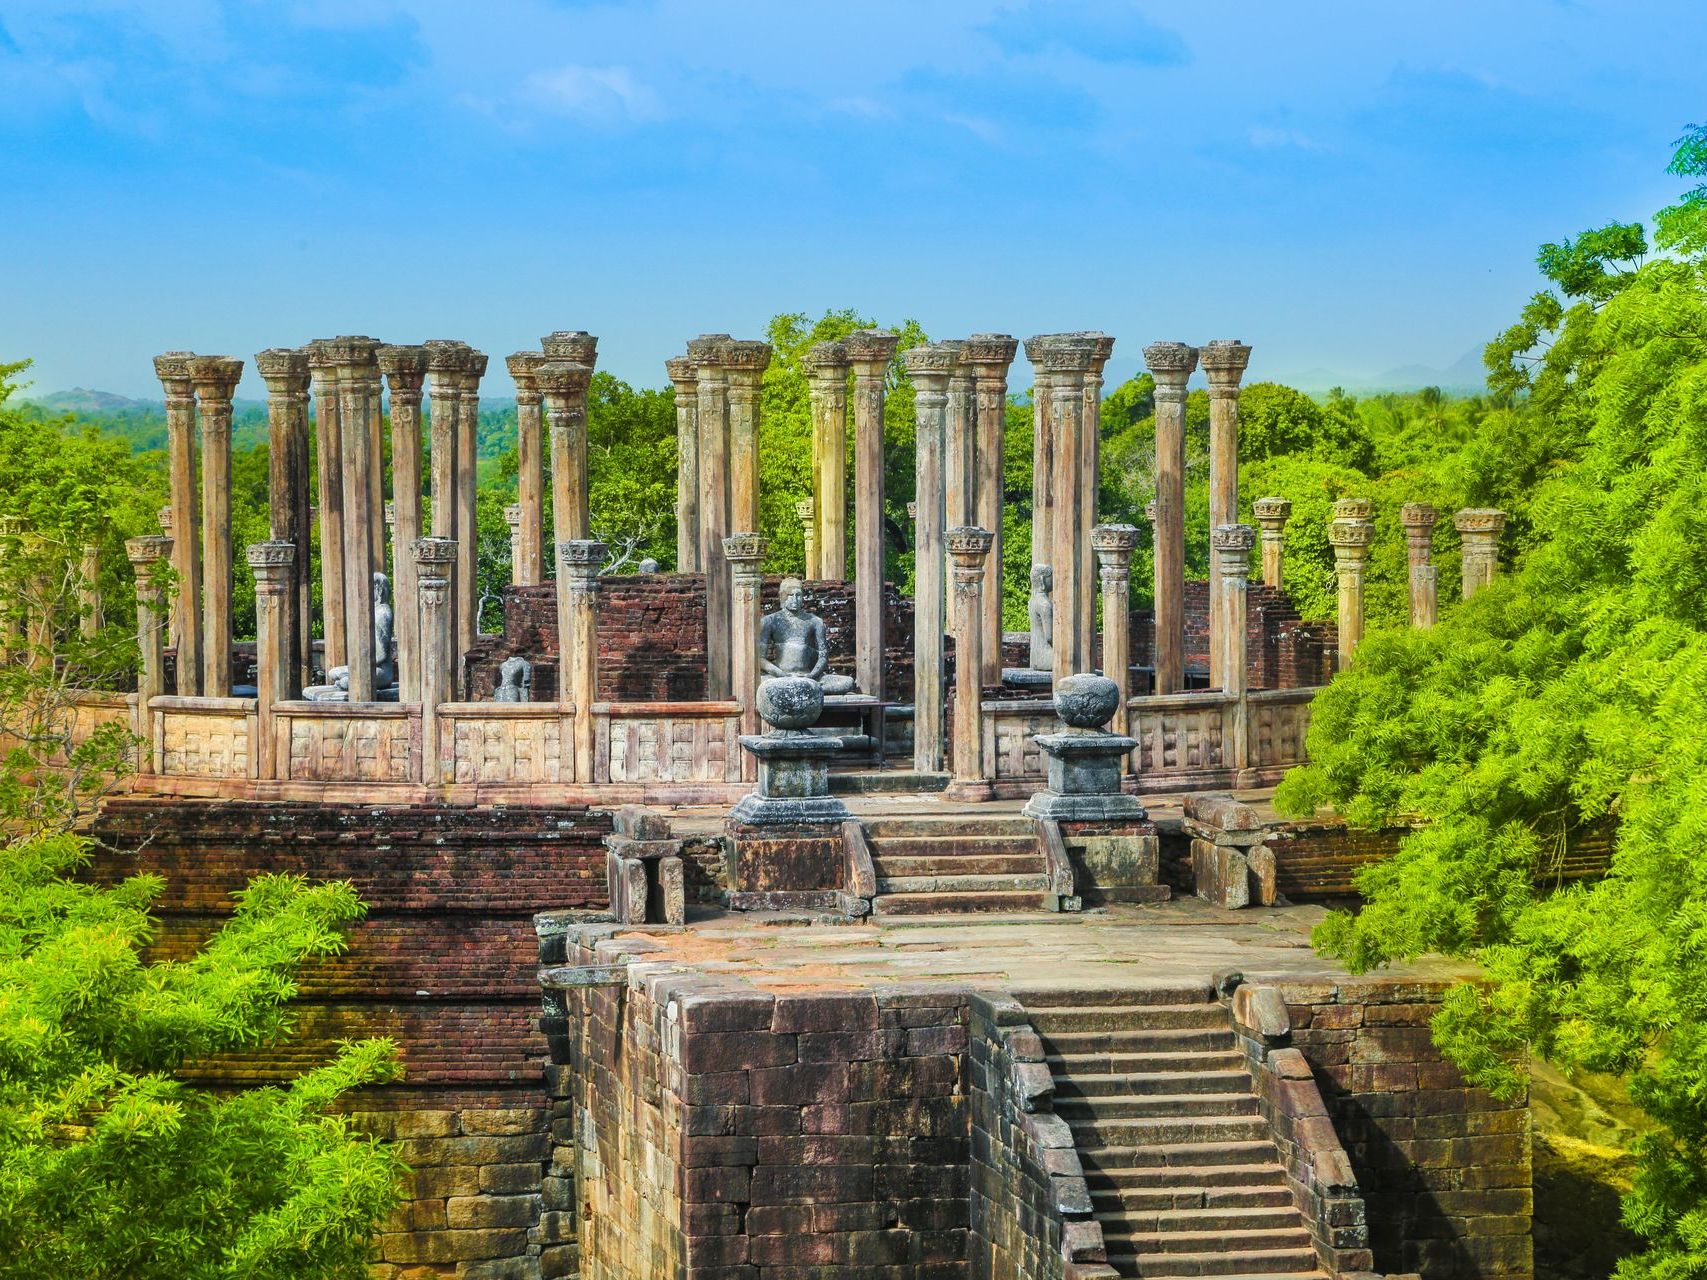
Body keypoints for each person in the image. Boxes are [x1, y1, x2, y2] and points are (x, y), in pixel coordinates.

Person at [758, 577, 856, 694]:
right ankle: (805, 688)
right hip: (780, 677)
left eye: (798, 595)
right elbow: (760, 659)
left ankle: (804, 686)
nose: (795, 599)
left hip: (806, 676)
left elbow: (823, 657)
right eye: (790, 595)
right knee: (757, 682)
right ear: (781, 596)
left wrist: (811, 676)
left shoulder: (815, 621)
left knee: (847, 682)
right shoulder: (770, 621)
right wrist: (781, 674)